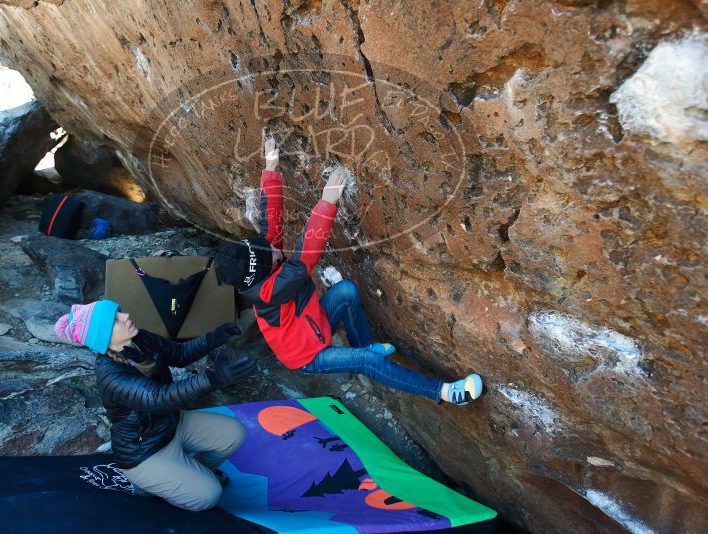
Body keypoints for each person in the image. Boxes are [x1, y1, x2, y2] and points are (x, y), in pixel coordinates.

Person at [214, 138, 483, 406]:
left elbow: (269, 222)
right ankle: (445, 393)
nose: (273, 248)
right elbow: (303, 260)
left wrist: (271, 168)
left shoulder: (264, 260)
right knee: (366, 362)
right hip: (306, 356)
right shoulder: (268, 292)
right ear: (257, 274)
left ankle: (366, 346)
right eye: (267, 252)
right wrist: (326, 203)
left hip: (311, 326)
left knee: (346, 292)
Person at [54, 300, 256, 511]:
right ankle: (153, 485)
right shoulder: (110, 375)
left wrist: (213, 338)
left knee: (233, 433)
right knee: (209, 495)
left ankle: (192, 473)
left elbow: (179, 354)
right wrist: (215, 378)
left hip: (170, 423)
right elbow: (158, 399)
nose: (125, 316)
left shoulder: (140, 339)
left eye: (119, 312)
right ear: (102, 337)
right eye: (115, 320)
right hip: (144, 450)